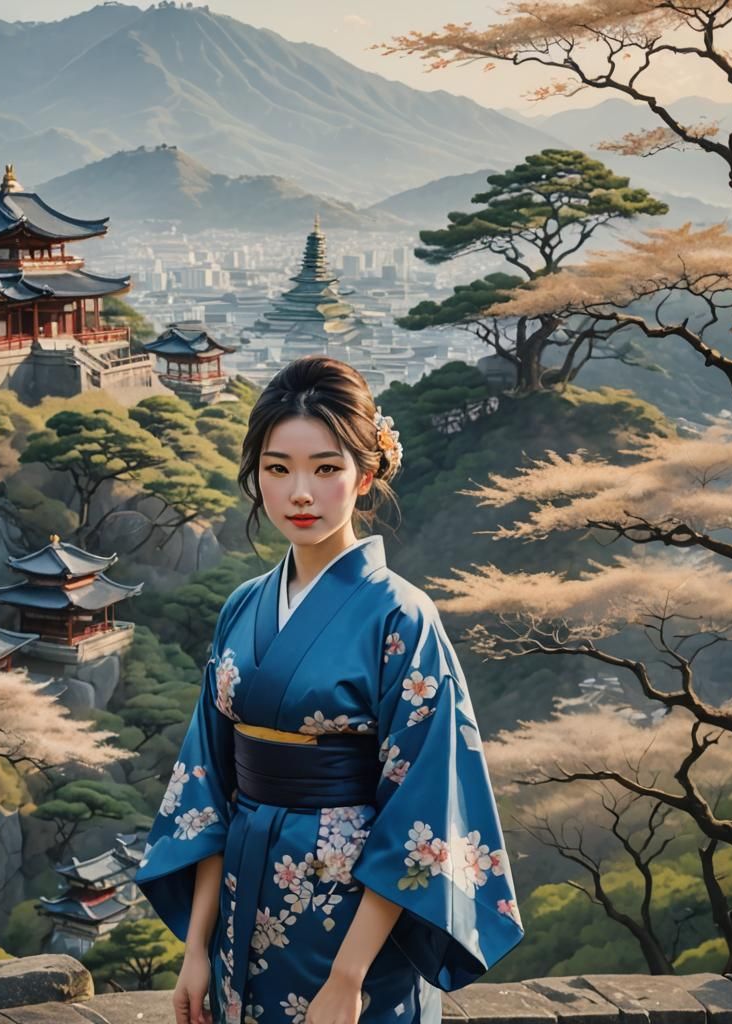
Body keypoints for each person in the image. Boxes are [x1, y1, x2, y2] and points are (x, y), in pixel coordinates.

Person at [134, 356, 524, 1024]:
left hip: (354, 936)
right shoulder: (241, 608)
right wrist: (196, 948)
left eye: (326, 468)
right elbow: (209, 787)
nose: (300, 494)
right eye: (278, 469)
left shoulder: (402, 618)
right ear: (256, 476)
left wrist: (349, 978)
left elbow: (423, 810)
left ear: (365, 475)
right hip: (240, 910)